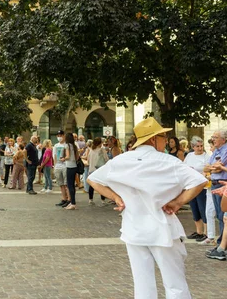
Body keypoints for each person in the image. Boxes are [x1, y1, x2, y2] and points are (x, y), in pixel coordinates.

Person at [88, 118, 207, 299]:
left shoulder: (121, 160)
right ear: (153, 139)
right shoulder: (168, 161)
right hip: (163, 227)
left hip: (134, 228)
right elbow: (199, 181)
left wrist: (116, 197)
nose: (165, 140)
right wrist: (177, 202)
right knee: (175, 283)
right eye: (163, 136)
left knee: (143, 284)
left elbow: (93, 179)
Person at [204, 130, 227, 259]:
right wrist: (212, 167)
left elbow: (220, 166)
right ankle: (221, 245)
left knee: (223, 215)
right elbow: (206, 168)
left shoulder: (225, 150)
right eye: (212, 137)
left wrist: (212, 167)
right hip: (214, 183)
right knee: (220, 215)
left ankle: (222, 246)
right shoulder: (215, 152)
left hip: (223, 184)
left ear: (224, 139)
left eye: (216, 137)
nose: (213, 139)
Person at [183, 136, 210, 242]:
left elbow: (207, 169)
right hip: (191, 184)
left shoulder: (206, 156)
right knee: (194, 208)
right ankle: (199, 231)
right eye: (197, 146)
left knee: (202, 207)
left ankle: (206, 232)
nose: (200, 148)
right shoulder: (189, 156)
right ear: (193, 147)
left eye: (201, 146)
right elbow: (184, 167)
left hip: (201, 185)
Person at [86, 137, 108, 205]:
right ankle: (103, 200)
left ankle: (90, 199)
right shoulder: (102, 150)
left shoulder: (91, 150)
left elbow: (88, 160)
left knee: (91, 186)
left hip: (91, 170)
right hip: (99, 170)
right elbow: (106, 159)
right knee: (102, 185)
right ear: (100, 143)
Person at [53, 131, 70, 207]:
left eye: (61, 135)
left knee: (66, 184)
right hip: (58, 165)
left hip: (65, 165)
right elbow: (55, 156)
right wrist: (55, 166)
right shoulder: (56, 145)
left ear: (64, 136)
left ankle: (69, 199)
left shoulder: (67, 145)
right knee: (61, 184)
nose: (59, 137)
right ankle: (63, 199)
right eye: (58, 135)